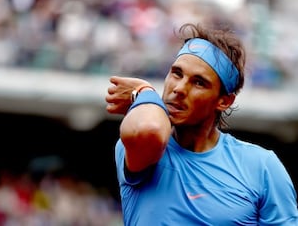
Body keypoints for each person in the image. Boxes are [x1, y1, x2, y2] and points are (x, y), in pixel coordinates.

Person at [105, 22, 298, 225]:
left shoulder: (262, 167)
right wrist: (145, 93)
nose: (179, 88)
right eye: (177, 73)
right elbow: (149, 129)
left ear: (224, 101)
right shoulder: (144, 150)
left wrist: (143, 94)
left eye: (199, 82)